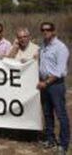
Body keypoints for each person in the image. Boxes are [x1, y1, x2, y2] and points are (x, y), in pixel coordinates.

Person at [37, 22, 70, 154]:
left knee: (61, 115)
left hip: (55, 85)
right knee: (47, 113)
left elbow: (59, 71)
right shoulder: (43, 45)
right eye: (43, 30)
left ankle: (64, 144)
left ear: (54, 31)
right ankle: (50, 139)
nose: (45, 32)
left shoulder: (60, 47)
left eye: (48, 29)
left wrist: (46, 83)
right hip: (44, 84)